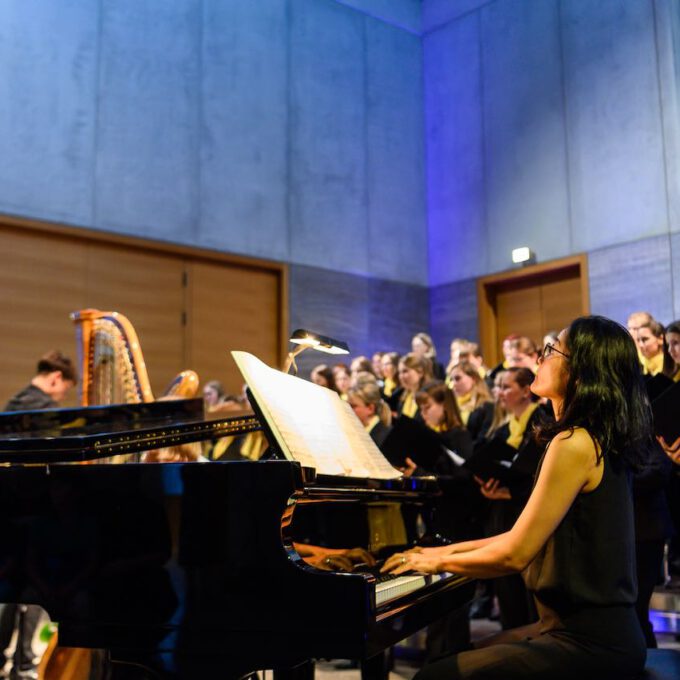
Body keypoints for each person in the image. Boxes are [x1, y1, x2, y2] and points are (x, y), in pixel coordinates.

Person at [383, 316, 650, 680]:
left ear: (581, 370)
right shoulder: (589, 438)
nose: (539, 360)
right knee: (466, 653)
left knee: (435, 676)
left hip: (591, 644)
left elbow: (515, 554)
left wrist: (433, 564)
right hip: (582, 633)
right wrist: (436, 554)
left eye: (552, 350)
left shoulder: (574, 442)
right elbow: (515, 538)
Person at [0, 351, 78, 680]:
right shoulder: (46, 410)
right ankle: (26, 664)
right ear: (56, 379)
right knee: (35, 590)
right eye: (63, 389)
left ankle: (6, 658)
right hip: (35, 510)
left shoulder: (13, 404)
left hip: (6, 510)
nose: (61, 395)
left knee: (10, 589)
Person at [394, 353, 432, 420]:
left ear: (420, 372)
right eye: (399, 372)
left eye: (405, 371)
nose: (401, 377)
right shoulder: (403, 397)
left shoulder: (430, 397)